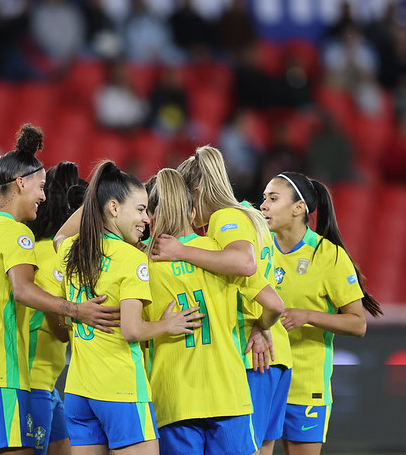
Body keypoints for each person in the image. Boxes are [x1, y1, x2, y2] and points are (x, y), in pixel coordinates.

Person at [0, 125, 119, 454]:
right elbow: (23, 291)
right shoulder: (16, 235)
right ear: (21, 183)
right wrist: (77, 310)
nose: (44, 196)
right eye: (40, 186)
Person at [150, 146, 293, 455]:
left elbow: (244, 264)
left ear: (197, 190)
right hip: (268, 346)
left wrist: (180, 251)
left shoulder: (224, 219)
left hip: (249, 351)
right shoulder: (249, 214)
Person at [55, 160, 202, 454]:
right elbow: (132, 330)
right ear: (113, 208)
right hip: (120, 389)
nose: (147, 218)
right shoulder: (131, 258)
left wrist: (96, 198)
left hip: (78, 392)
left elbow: (59, 236)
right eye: (139, 209)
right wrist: (166, 325)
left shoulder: (71, 250)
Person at [259, 171, 382, 455]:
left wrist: (308, 316)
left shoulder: (329, 256)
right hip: (263, 377)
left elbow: (357, 323)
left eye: (273, 198)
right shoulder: (258, 249)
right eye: (264, 198)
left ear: (298, 208)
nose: (263, 205)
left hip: (305, 384)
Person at [24, 161, 87, 455]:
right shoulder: (53, 257)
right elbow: (61, 331)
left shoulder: (34, 249)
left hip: (47, 384)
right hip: (31, 382)